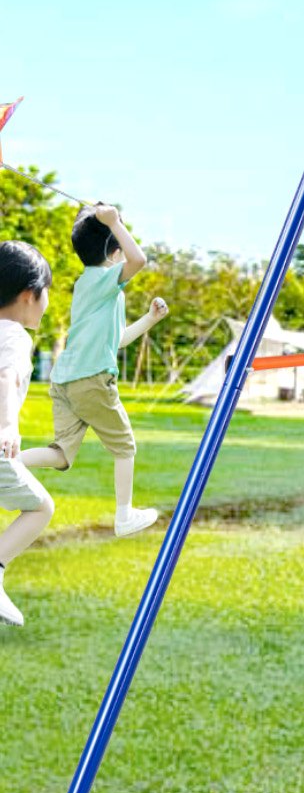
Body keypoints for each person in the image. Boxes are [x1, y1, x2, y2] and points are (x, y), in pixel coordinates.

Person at [21, 203, 168, 537]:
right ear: (115, 251)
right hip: (91, 381)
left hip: (65, 382)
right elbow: (139, 260)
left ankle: (9, 463)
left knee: (60, 454)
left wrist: (150, 320)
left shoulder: (87, 285)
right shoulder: (105, 279)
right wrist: (114, 221)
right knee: (125, 447)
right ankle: (124, 515)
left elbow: (114, 342)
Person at [0, 241, 57, 626]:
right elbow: (7, 376)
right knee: (40, 507)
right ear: (28, 294)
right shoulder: (16, 337)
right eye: (47, 292)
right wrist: (7, 424)